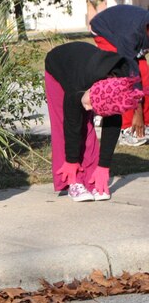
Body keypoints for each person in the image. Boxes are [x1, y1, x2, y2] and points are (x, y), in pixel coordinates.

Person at [44, 41, 143, 202]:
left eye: (92, 105)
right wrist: (71, 161)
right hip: (59, 65)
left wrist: (104, 166)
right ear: (90, 89)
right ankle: (73, 181)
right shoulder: (77, 84)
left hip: (87, 68)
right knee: (72, 124)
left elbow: (112, 123)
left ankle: (91, 179)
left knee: (88, 127)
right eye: (89, 103)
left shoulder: (121, 80)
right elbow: (71, 125)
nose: (89, 109)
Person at [89, 3, 149, 146]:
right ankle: (126, 127)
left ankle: (145, 125)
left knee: (144, 72)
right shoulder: (130, 34)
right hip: (104, 30)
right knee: (124, 76)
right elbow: (131, 73)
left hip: (124, 27)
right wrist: (137, 111)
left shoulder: (143, 29)